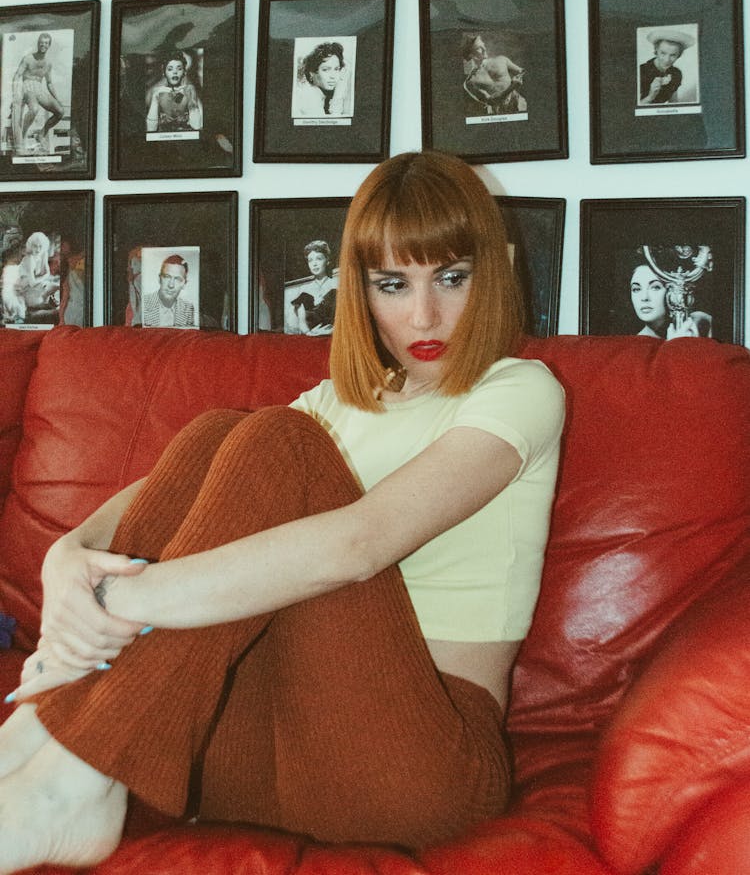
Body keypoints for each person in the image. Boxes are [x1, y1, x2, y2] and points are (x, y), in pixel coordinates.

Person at [0, 150, 565, 873]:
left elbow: (358, 545)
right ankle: (39, 736)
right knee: (217, 432)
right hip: (275, 756)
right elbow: (153, 492)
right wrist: (68, 557)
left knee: (275, 440)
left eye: (451, 278)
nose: (425, 315)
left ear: (490, 274)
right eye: (394, 284)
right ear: (360, 292)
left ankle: (66, 784)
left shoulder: (519, 391)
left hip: (421, 766)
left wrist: (118, 599)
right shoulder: (338, 403)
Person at [629, 255, 712, 338]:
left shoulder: (701, 323)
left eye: (655, 287)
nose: (644, 298)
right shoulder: (635, 345)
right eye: (636, 289)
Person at [11, 33, 65, 155]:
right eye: (41, 42)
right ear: (38, 43)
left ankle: (42, 134)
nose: (43, 44)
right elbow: (17, 75)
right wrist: (15, 91)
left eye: (46, 43)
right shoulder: (28, 58)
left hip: (40, 89)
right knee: (34, 109)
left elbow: (49, 83)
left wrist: (57, 99)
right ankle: (23, 136)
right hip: (27, 87)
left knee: (60, 111)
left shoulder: (48, 63)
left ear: (49, 45)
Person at [461, 34, 526, 115]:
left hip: (519, 103)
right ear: (471, 55)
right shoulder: (471, 82)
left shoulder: (501, 59)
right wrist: (512, 87)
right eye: (479, 48)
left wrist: (522, 75)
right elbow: (491, 101)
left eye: (483, 44)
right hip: (497, 113)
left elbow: (522, 71)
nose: (484, 48)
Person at [284, 239, 338, 335]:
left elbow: (344, 319)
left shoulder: (336, 285)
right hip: (311, 336)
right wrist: (309, 333)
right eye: (310, 260)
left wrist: (328, 332)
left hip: (333, 336)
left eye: (319, 258)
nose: (314, 263)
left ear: (328, 261)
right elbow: (302, 321)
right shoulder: (304, 290)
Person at [146, 52, 203, 133]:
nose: (175, 72)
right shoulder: (157, 91)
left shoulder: (189, 90)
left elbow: (197, 126)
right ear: (164, 72)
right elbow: (151, 131)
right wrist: (155, 99)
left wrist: (192, 99)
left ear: (184, 72)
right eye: (170, 69)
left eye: (179, 69)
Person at [293, 41, 352, 117]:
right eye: (326, 70)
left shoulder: (318, 93)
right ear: (312, 72)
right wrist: (338, 94)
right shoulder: (308, 96)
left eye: (336, 69)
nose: (333, 76)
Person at [639, 29, 694, 106]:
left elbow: (673, 102)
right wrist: (650, 96)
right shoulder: (640, 71)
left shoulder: (676, 73)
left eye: (673, 55)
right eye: (663, 53)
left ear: (679, 55)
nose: (667, 60)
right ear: (656, 51)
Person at [141, 253, 196, 328]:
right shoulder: (144, 303)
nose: (171, 285)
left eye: (177, 279)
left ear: (184, 284)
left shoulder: (188, 309)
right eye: (167, 277)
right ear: (159, 279)